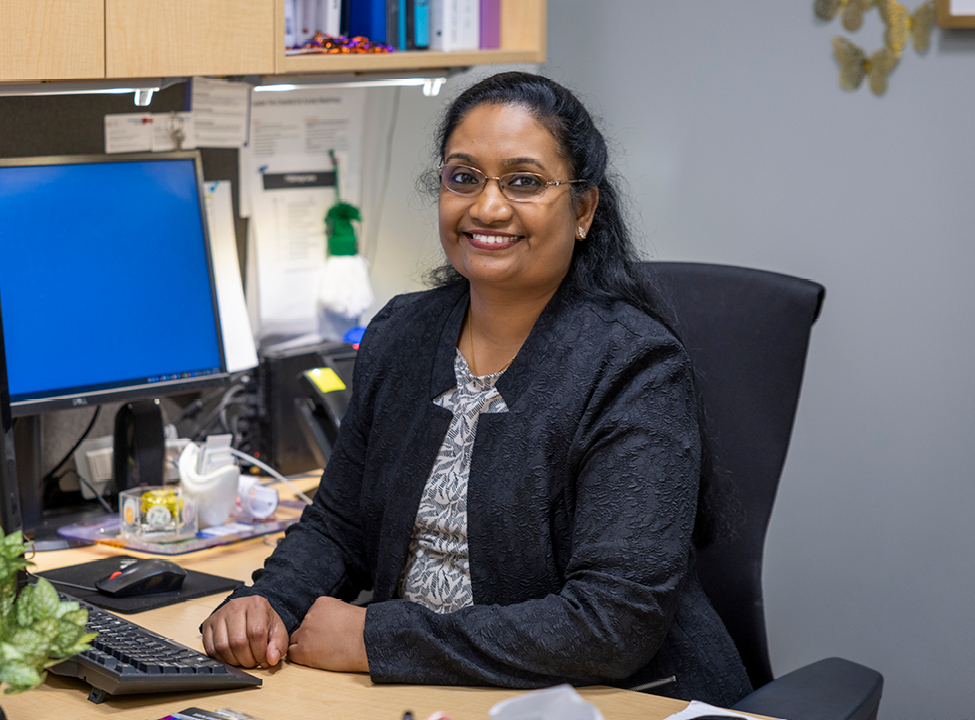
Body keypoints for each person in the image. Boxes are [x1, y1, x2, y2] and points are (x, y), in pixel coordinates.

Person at [201, 71, 753, 706]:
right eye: (463, 177)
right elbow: (340, 524)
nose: (487, 208)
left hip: (615, 701)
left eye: (523, 182)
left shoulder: (635, 366)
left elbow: (612, 623)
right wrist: (269, 601)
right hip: (423, 694)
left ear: (583, 210)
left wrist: (375, 637)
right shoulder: (401, 333)